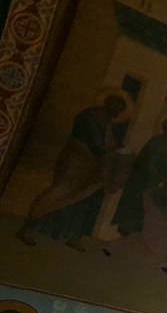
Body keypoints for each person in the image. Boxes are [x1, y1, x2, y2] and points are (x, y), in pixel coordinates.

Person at [17, 92, 130, 251]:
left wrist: (117, 149)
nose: (117, 112)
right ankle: (27, 229)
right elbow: (95, 143)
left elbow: (108, 142)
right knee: (58, 193)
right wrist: (114, 151)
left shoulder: (107, 122)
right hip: (75, 161)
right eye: (116, 108)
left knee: (83, 198)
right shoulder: (89, 117)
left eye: (119, 109)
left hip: (92, 165)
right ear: (109, 105)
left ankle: (73, 235)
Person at [111, 118, 167, 267]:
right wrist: (159, 178)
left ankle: (152, 254)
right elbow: (147, 163)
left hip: (164, 191)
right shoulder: (157, 142)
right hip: (150, 187)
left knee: (160, 222)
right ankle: (135, 250)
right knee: (145, 219)